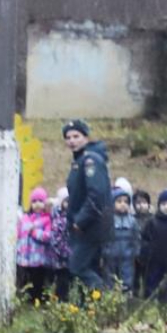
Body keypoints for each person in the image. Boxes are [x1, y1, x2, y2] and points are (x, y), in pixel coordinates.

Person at [60, 120, 112, 301]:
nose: (72, 141)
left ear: (86, 137)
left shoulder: (91, 161)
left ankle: (106, 298)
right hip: (83, 227)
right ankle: (91, 310)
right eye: (68, 137)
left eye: (76, 136)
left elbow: (96, 196)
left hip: (90, 227)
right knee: (90, 268)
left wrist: (79, 221)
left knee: (78, 267)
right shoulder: (79, 162)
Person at [140, 190, 167, 302]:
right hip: (155, 258)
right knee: (153, 279)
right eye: (163, 204)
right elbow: (145, 238)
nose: (166, 207)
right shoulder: (152, 221)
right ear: (159, 205)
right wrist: (146, 251)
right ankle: (151, 297)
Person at [16, 188, 54, 302]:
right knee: (26, 280)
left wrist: (34, 232)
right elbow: (19, 234)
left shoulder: (47, 219)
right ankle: (27, 299)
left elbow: (48, 236)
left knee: (39, 280)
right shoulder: (25, 218)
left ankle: (39, 299)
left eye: (40, 201)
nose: (37, 204)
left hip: (40, 258)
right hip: (25, 257)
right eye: (34, 201)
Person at [103, 191, 138, 293]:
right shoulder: (108, 220)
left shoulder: (132, 221)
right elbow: (103, 238)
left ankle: (126, 300)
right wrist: (103, 252)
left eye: (126, 202)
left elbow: (136, 238)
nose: (123, 204)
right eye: (119, 201)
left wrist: (136, 253)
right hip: (110, 257)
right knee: (110, 281)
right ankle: (110, 301)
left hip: (127, 257)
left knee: (126, 280)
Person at [130, 190, 153, 294]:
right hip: (134, 254)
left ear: (148, 204)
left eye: (144, 202)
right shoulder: (132, 220)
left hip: (148, 254)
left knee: (147, 277)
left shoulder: (153, 220)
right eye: (138, 203)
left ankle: (148, 295)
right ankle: (134, 294)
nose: (141, 206)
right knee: (135, 277)